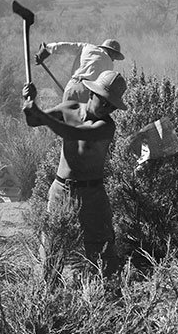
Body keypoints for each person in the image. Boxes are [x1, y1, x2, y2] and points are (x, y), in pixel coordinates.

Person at [22, 70, 128, 280]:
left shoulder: (106, 126)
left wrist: (38, 112)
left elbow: (73, 133)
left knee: (102, 246)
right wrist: (29, 104)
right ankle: (47, 293)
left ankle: (107, 294)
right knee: (52, 243)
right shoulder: (70, 108)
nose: (107, 108)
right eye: (104, 101)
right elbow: (34, 121)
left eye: (112, 106)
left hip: (92, 195)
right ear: (92, 94)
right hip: (61, 190)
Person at [34, 39, 124, 104]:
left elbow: (66, 47)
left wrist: (47, 49)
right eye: (115, 56)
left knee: (65, 117)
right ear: (111, 52)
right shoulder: (110, 65)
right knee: (79, 124)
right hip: (88, 91)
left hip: (73, 85)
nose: (114, 60)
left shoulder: (87, 47)